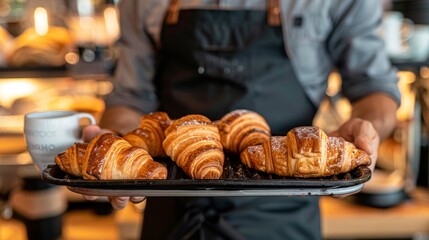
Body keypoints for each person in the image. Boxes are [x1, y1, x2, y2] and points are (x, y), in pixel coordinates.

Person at [83, 0, 400, 239]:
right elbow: (129, 97)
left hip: (283, 217)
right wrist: (119, 151)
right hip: (171, 209)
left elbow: (375, 89)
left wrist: (366, 129)